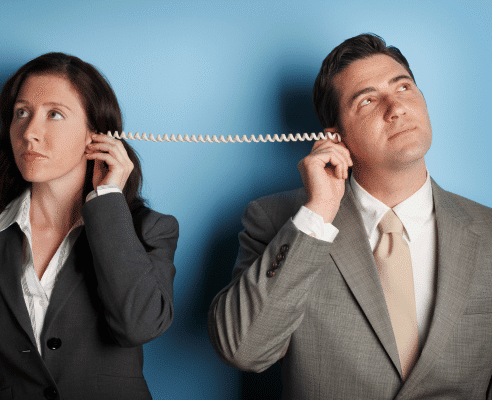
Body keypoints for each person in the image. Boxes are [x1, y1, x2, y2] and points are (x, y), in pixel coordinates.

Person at [208, 33, 492, 399]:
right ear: (335, 137)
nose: (396, 108)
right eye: (368, 100)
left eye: (403, 87)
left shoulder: (487, 231)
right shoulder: (276, 218)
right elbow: (242, 349)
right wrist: (317, 214)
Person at [0, 52, 178, 399]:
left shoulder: (148, 230)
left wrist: (107, 198)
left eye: (54, 114)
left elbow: (139, 325)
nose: (29, 133)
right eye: (21, 113)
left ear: (99, 135)